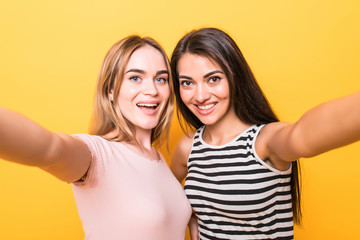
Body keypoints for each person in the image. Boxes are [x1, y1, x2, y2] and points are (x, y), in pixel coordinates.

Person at [170, 27, 360, 240]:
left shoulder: (263, 142)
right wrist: (190, 216)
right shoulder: (188, 147)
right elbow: (164, 196)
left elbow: (303, 135)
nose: (200, 95)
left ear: (235, 77)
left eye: (213, 79)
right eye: (187, 83)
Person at [0, 35, 192, 239]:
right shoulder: (98, 154)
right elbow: (52, 149)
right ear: (110, 90)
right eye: (135, 78)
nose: (152, 90)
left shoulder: (158, 159)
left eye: (160, 79)